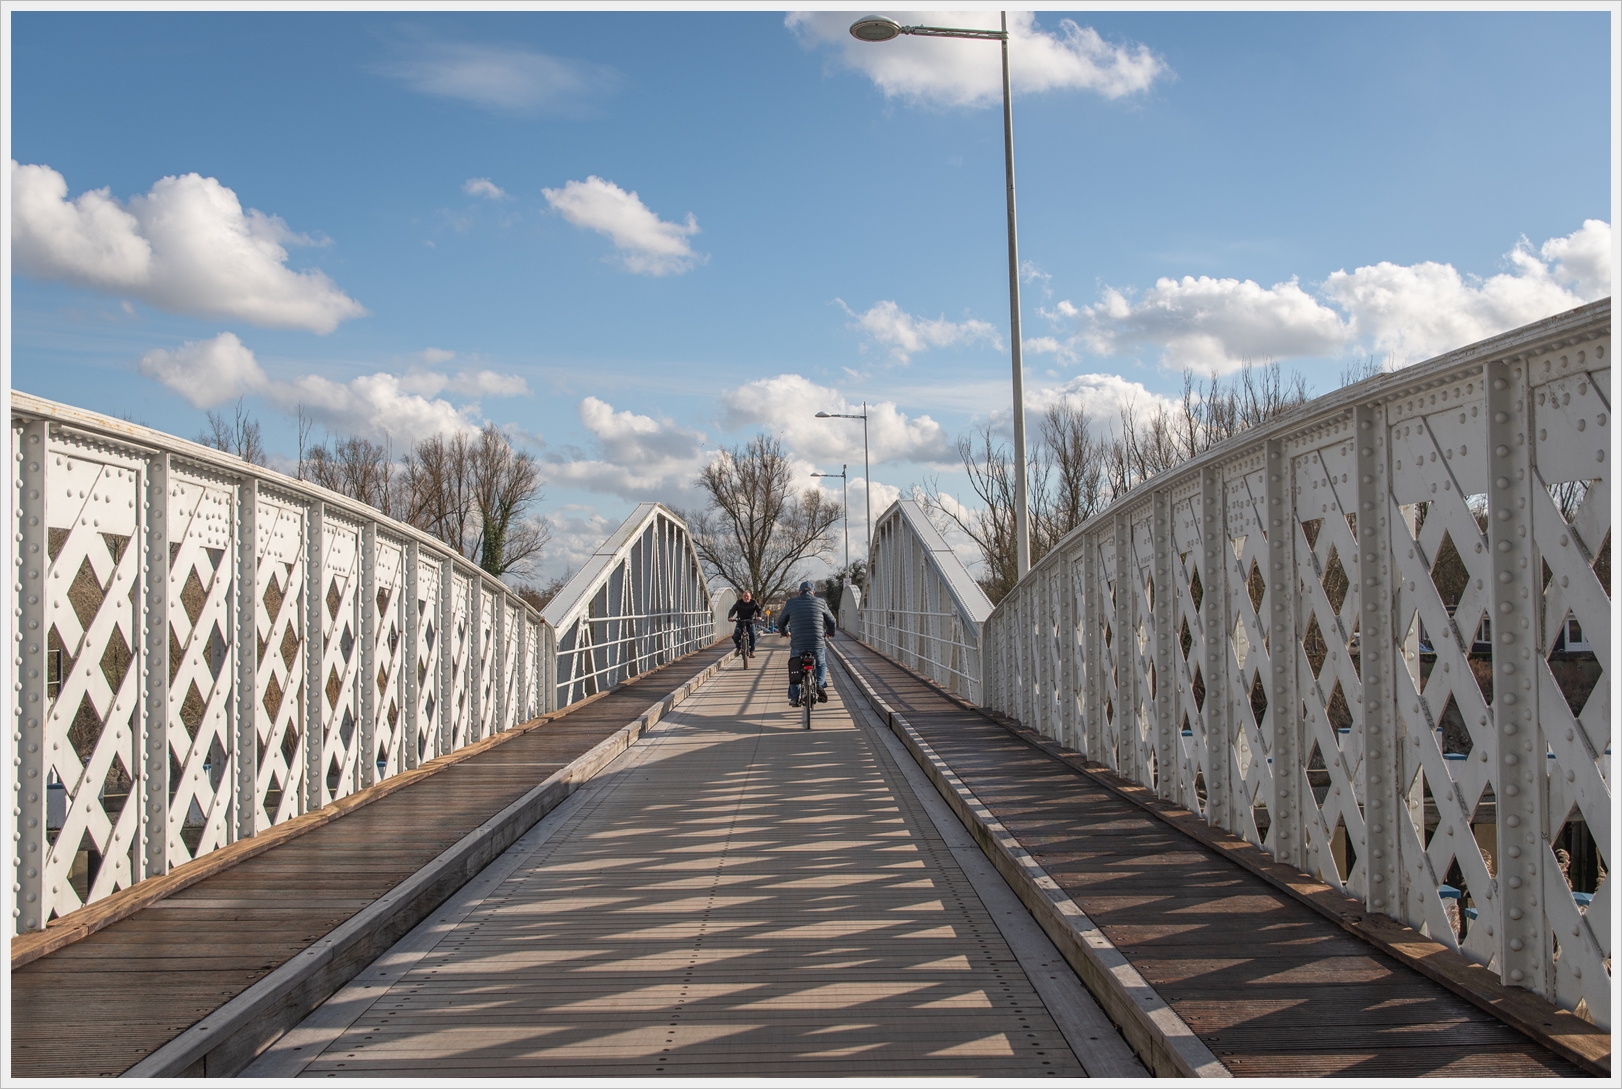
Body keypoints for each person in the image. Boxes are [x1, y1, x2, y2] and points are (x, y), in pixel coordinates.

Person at [778, 580, 836, 706]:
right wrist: (830, 633)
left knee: (794, 667)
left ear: (799, 592)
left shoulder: (791, 603)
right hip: (817, 642)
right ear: (813, 592)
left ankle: (794, 697)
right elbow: (831, 621)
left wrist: (785, 632)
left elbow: (781, 621)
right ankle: (820, 685)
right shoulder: (821, 602)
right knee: (821, 664)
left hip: (798, 643)